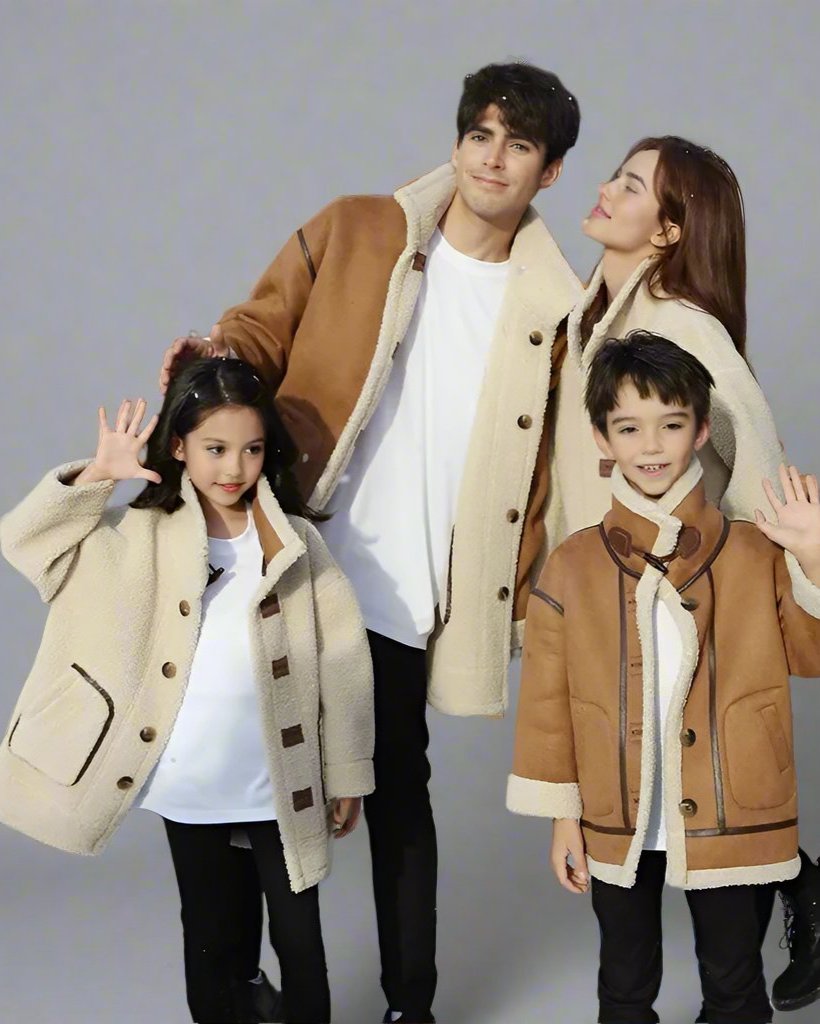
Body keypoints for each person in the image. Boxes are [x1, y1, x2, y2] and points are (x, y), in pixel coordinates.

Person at [159, 61, 583, 1024]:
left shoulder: (557, 307)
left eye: (519, 145)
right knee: (232, 770)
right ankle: (233, 989)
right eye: (481, 134)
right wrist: (213, 363)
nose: (493, 158)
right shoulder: (359, 229)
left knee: (397, 794)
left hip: (402, 587)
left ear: (548, 173)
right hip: (286, 555)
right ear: (458, 140)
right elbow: (259, 330)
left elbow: (562, 463)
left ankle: (410, 1006)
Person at [0, 357, 375, 1024]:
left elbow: (342, 662)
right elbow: (26, 545)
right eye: (215, 448)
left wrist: (346, 771)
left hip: (276, 784)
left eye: (252, 449)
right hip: (189, 785)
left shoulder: (295, 545)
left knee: (299, 938)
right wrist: (93, 478)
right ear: (178, 447)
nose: (234, 467)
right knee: (211, 937)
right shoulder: (132, 535)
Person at [547, 134, 820, 1012]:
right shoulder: (605, 308)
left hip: (684, 589)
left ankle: (800, 888)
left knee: (698, 784)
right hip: (610, 580)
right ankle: (801, 888)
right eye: (615, 175)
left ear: (667, 231)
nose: (605, 190)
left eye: (630, 186)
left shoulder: (677, 324)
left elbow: (749, 446)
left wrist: (757, 567)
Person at [508, 332, 820, 1024]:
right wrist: (565, 817)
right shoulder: (574, 565)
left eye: (672, 425)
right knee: (622, 990)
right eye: (629, 427)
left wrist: (815, 557)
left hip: (737, 803)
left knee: (735, 989)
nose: (651, 447)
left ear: (702, 429)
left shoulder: (753, 550)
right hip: (615, 816)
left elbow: (812, 654)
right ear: (602, 438)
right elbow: (549, 708)